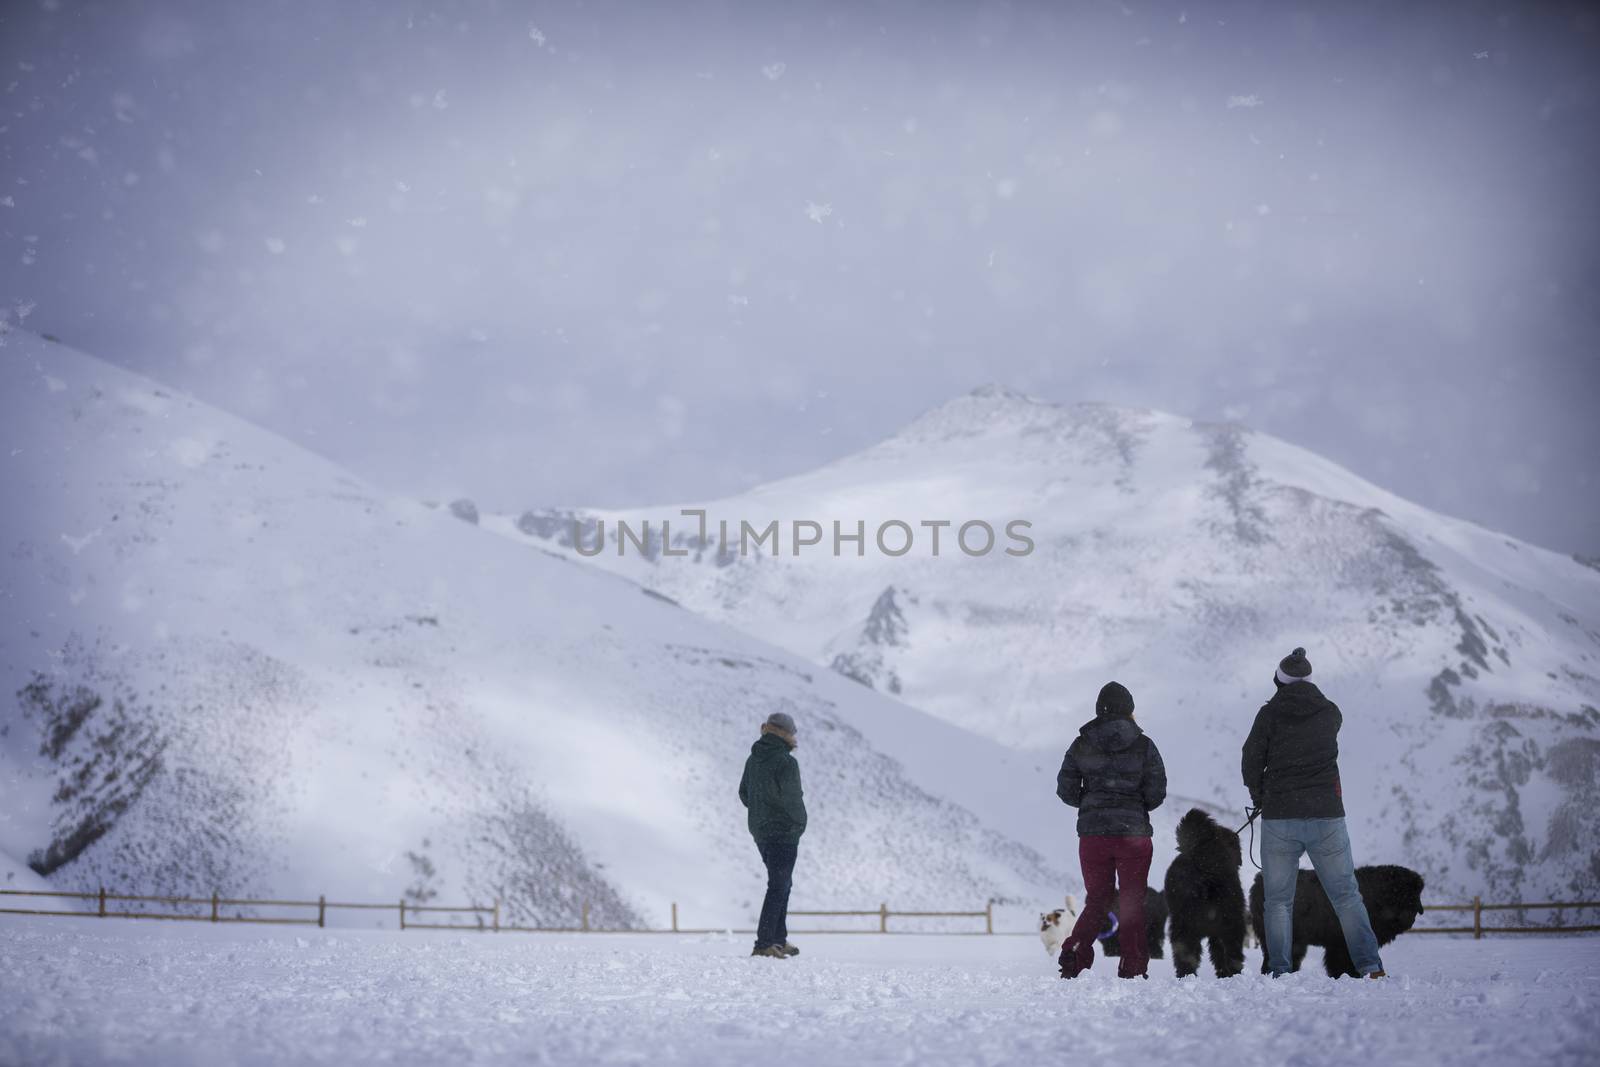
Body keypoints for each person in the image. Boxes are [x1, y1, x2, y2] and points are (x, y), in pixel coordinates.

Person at [1242, 646, 1386, 978]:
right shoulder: (1330, 713)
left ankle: (1279, 970)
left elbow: (1251, 759)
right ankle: (1370, 965)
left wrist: (1260, 794)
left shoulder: (1268, 716)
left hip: (1279, 817)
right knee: (1346, 895)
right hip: (1326, 816)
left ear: (1278, 681)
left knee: (1278, 901)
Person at [1054, 681, 1167, 979]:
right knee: (1132, 900)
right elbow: (1157, 792)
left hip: (1093, 837)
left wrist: (1091, 804)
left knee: (1097, 900)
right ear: (1129, 709)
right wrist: (1133, 808)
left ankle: (1074, 952)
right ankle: (1132, 966)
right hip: (1134, 836)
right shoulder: (1144, 745)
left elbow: (1065, 790)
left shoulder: (1081, 743)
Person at [738, 711, 807, 959]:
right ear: (786, 733)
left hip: (761, 831)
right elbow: (793, 799)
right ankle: (764, 943)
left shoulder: (753, 759)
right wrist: (799, 823)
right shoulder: (786, 762)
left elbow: (744, 793)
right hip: (784, 832)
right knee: (778, 885)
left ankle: (778, 939)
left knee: (782, 883)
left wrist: (761, 811)